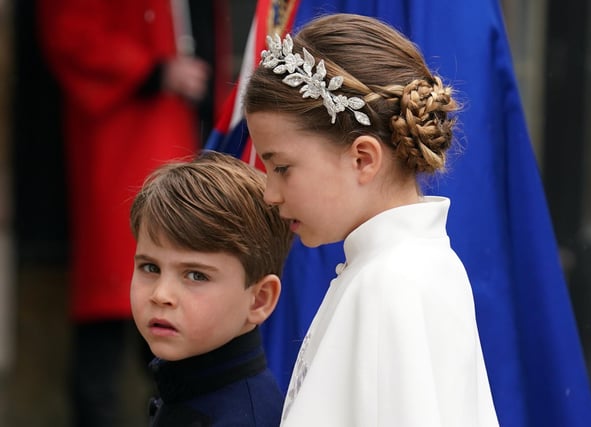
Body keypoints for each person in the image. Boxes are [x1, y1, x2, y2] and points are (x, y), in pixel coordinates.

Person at [244, 13, 499, 426]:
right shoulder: (411, 266)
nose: (270, 194)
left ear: (362, 158)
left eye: (282, 167)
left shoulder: (389, 282)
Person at [35, 1, 230, 425]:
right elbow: (70, 32)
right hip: (127, 140)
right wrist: (154, 70)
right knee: (114, 305)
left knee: (170, 312)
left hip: (182, 137)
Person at [129, 151, 293, 426]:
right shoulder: (185, 388)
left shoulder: (241, 417)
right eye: (150, 268)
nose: (161, 295)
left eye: (196, 275)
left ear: (259, 300)